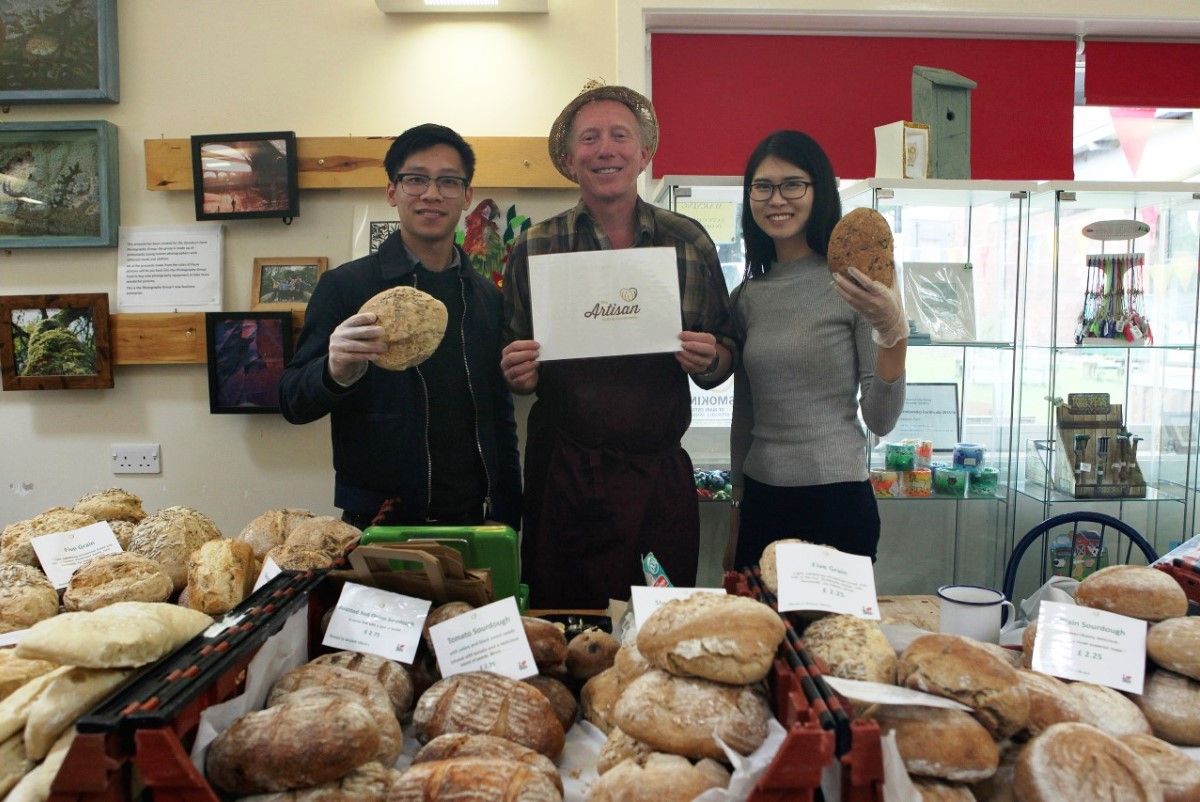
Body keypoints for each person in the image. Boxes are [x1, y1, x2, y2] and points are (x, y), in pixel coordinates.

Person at [501, 82, 737, 608]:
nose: (604, 149)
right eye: (589, 138)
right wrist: (517, 371)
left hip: (657, 477)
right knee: (565, 626)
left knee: (656, 625)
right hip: (565, 475)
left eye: (619, 135)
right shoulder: (535, 245)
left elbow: (725, 352)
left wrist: (710, 357)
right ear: (569, 158)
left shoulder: (688, 240)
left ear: (644, 152)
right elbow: (513, 359)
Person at [280, 124, 521, 531]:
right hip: (377, 520)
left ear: (467, 196)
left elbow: (501, 419)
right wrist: (334, 370)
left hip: (473, 520)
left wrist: (509, 516)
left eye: (448, 181)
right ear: (392, 192)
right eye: (415, 179)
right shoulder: (347, 287)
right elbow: (292, 401)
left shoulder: (486, 298)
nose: (431, 194)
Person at [724, 130, 907, 571]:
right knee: (764, 639)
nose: (776, 199)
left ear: (819, 190)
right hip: (762, 497)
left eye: (793, 184)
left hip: (836, 500)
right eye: (763, 186)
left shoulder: (855, 283)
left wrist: (893, 332)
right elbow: (744, 413)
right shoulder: (748, 296)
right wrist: (737, 507)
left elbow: (880, 418)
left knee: (833, 640)